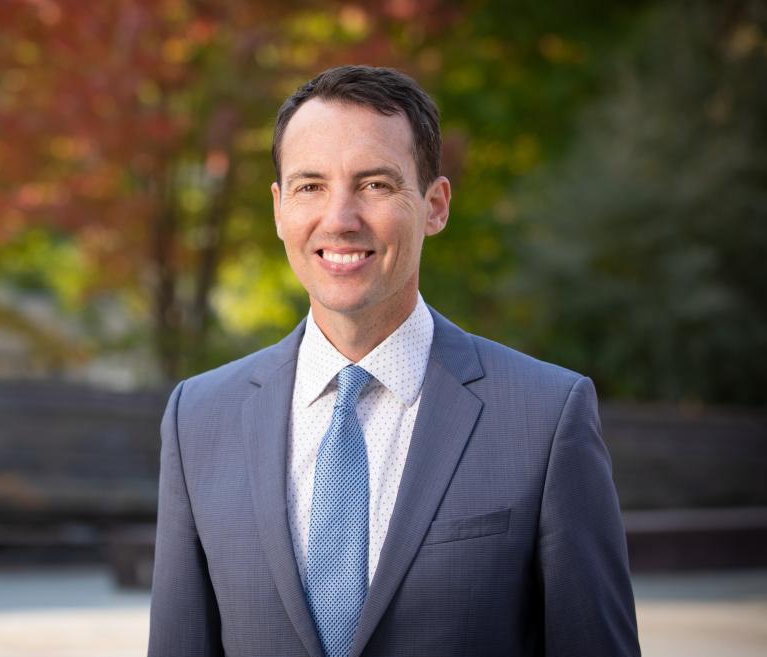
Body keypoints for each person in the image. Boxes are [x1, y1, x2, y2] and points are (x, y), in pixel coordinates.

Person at [147, 65, 640, 657]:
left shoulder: (545, 415)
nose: (340, 218)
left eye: (375, 185)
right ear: (279, 209)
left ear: (435, 205)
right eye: (311, 186)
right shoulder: (198, 417)